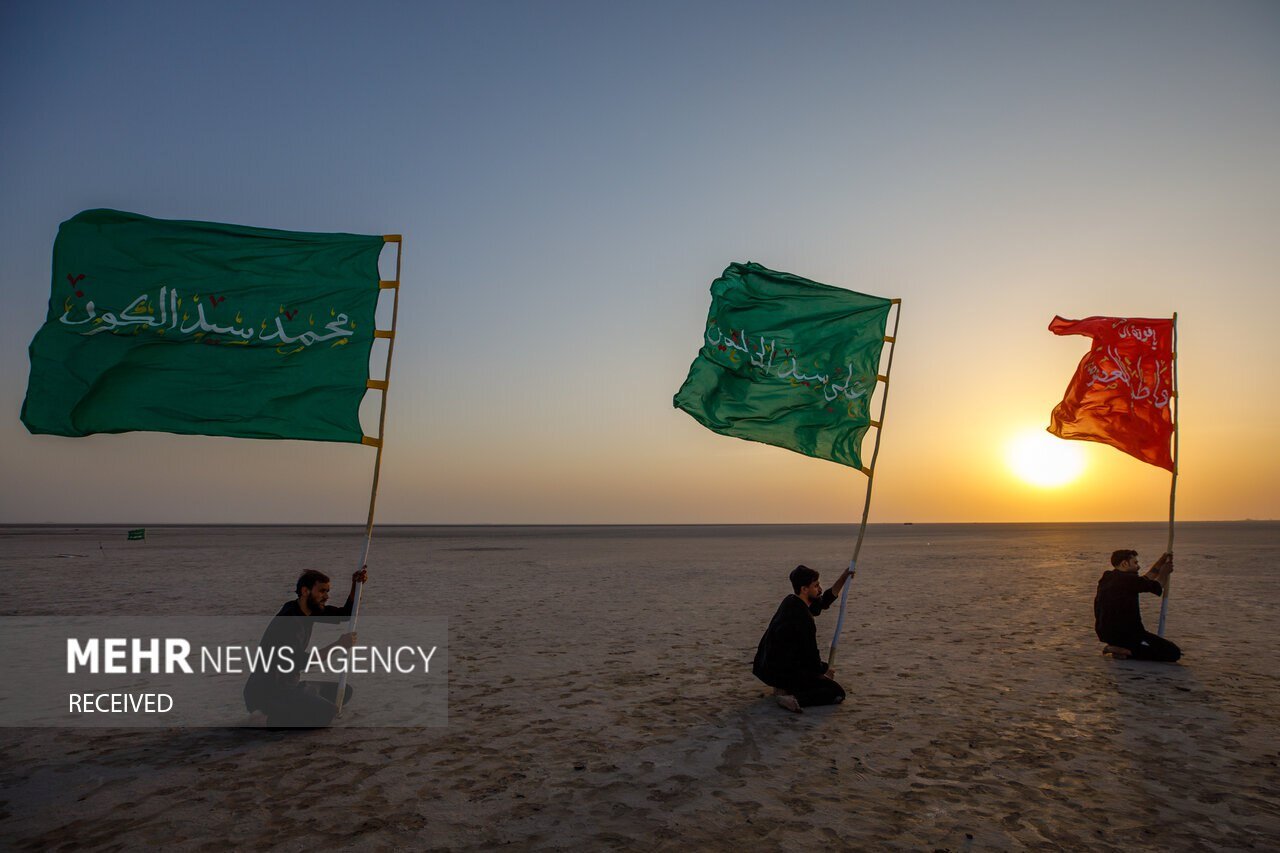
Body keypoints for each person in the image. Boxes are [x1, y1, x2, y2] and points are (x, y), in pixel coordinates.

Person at [244, 566, 368, 726]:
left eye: (328, 591)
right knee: (327, 713)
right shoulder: (289, 622)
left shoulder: (308, 609)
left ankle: (293, 706)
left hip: (291, 685)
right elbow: (303, 661)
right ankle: (268, 718)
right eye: (322, 591)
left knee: (344, 692)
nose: (327, 596)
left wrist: (356, 585)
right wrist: (339, 645)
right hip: (270, 692)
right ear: (305, 591)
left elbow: (346, 614)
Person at [753, 564, 853, 712]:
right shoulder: (802, 618)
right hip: (779, 671)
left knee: (824, 667)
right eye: (816, 586)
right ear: (804, 589)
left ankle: (785, 687)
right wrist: (822, 676)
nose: (819, 589)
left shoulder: (792, 601)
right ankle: (793, 699)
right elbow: (811, 657)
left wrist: (844, 577)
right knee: (836, 692)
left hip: (770, 667)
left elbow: (824, 601)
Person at [1094, 550, 1180, 662]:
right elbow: (1158, 585)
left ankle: (1120, 649)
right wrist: (1165, 572)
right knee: (1173, 653)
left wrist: (1161, 561)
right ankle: (1124, 651)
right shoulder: (1127, 580)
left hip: (1106, 633)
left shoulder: (1108, 577)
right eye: (1135, 563)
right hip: (1127, 634)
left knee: (1154, 646)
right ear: (1124, 564)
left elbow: (1146, 579)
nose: (1138, 567)